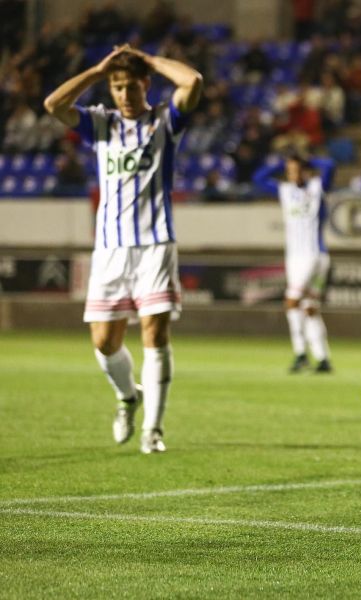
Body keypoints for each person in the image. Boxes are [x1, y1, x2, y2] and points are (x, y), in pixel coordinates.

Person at [43, 44, 202, 453]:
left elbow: (193, 81)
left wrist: (148, 59)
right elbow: (53, 103)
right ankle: (129, 397)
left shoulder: (165, 121)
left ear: (145, 84)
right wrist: (97, 70)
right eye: (117, 87)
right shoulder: (101, 125)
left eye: (131, 86)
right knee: (103, 343)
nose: (125, 95)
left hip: (155, 244)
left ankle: (154, 430)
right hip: (110, 249)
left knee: (155, 332)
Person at [253, 153, 335, 373]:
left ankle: (300, 354)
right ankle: (323, 358)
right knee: (309, 308)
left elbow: (329, 164)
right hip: (296, 256)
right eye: (290, 171)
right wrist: (281, 163)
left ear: (306, 171)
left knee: (291, 301)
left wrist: (308, 160)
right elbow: (258, 178)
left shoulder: (317, 187)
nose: (293, 175)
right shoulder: (285, 190)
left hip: (311, 254)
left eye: (298, 170)